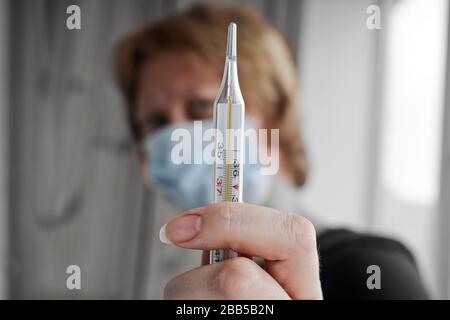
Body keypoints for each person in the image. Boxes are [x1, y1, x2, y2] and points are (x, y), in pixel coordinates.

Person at [115, 4, 429, 299]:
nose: (176, 135)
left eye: (200, 108)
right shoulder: (188, 283)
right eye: (155, 122)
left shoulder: (372, 270)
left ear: (274, 112)